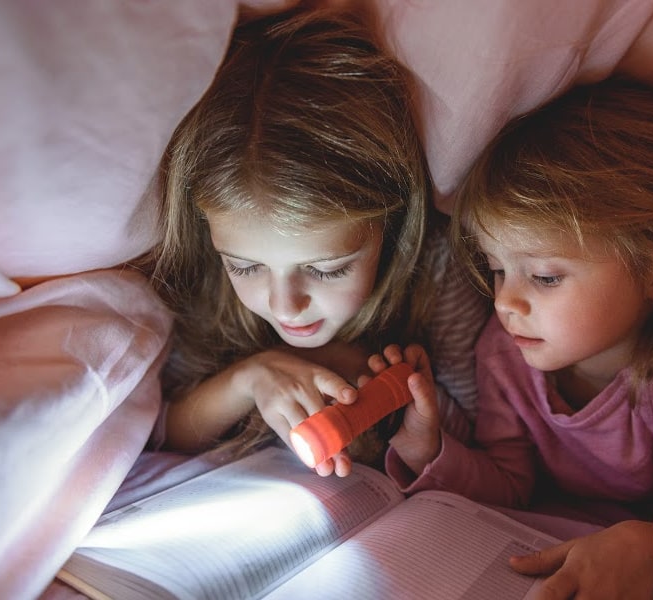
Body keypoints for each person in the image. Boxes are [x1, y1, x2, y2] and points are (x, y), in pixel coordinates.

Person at [377, 77, 653, 599]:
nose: (503, 302)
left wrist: (643, 550)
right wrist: (428, 448)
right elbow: (511, 484)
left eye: (545, 277)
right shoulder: (505, 352)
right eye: (497, 269)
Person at [145, 5, 488, 477]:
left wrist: (400, 402)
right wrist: (250, 378)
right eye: (245, 267)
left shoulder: (436, 269)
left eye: (327, 269)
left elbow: (476, 428)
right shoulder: (205, 281)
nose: (286, 307)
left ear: (388, 224)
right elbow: (163, 429)